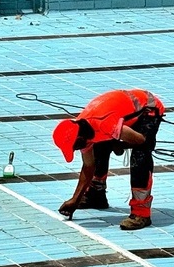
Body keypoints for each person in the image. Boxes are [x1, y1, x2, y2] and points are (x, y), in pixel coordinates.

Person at [53, 89, 165, 230]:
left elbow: (140, 140)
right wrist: (74, 200)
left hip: (148, 108)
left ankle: (141, 213)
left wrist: (117, 143)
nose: (76, 150)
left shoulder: (106, 124)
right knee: (98, 145)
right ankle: (96, 195)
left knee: (140, 155)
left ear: (80, 138)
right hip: (119, 114)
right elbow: (88, 166)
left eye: (75, 147)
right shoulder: (81, 130)